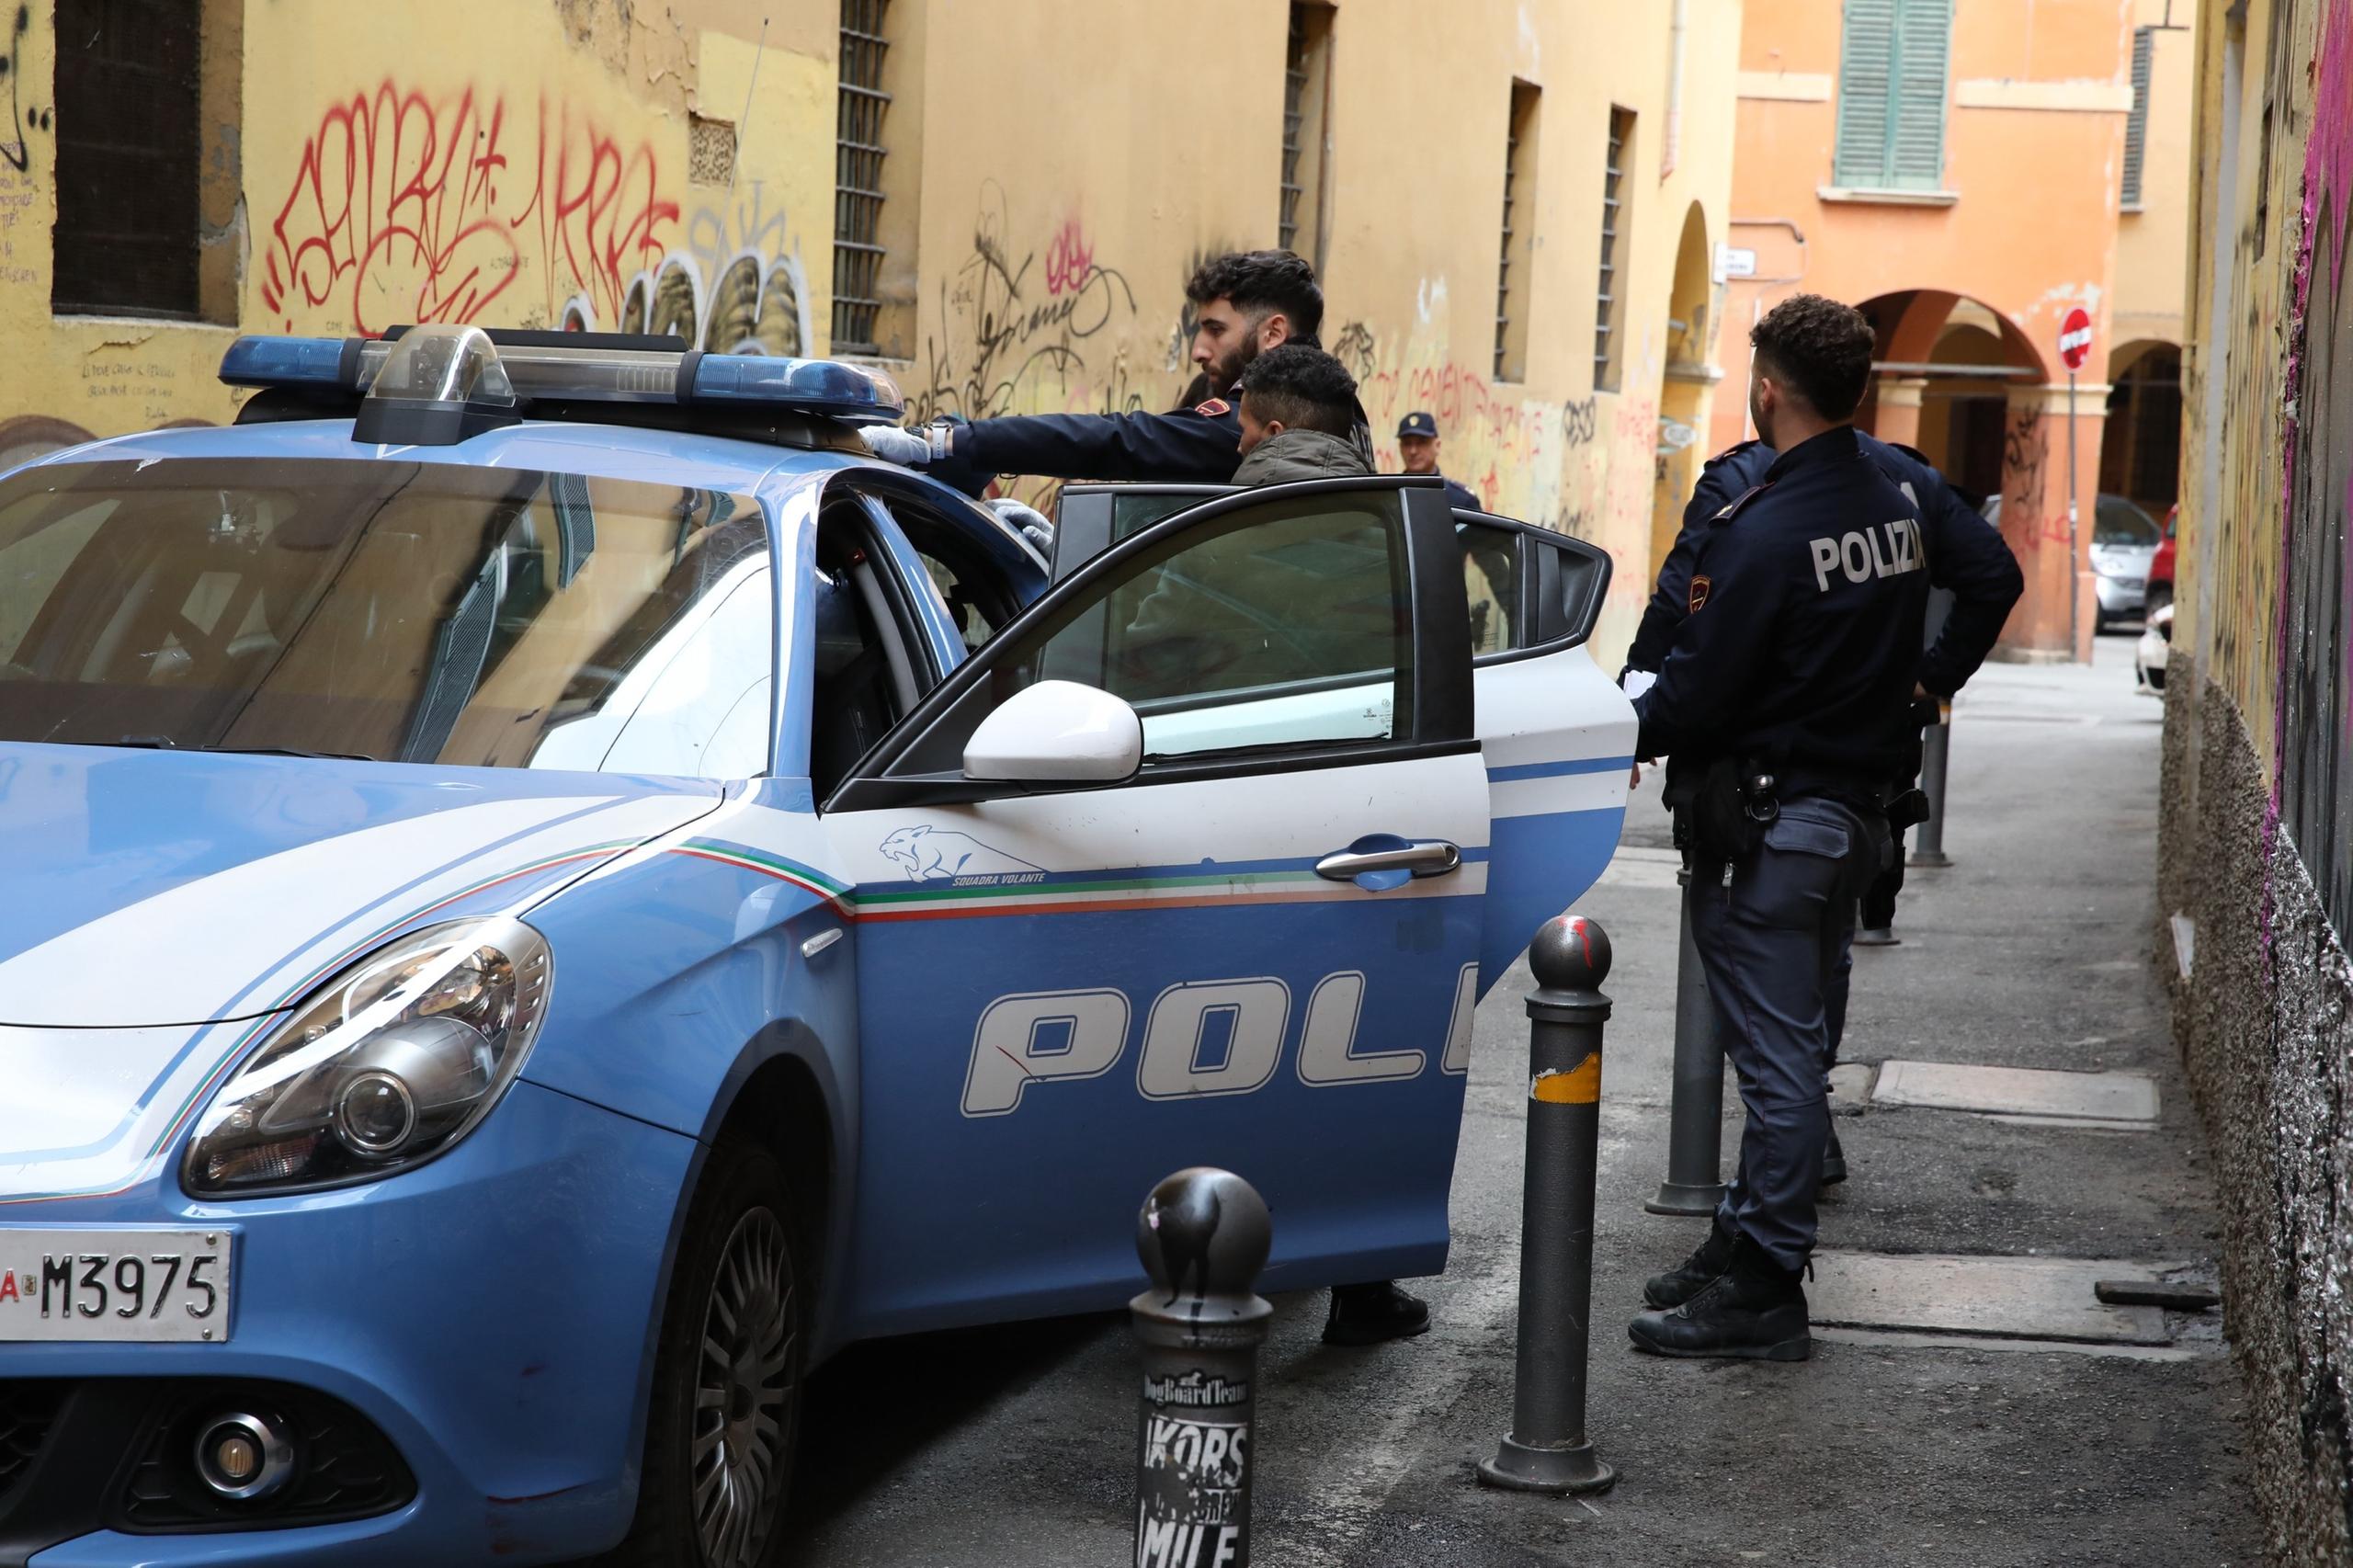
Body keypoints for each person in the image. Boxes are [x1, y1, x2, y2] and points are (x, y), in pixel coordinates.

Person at [1623, 293, 1930, 1362]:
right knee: (1788, 1048)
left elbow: (1699, 689)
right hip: (1846, 813)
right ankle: (1745, 1238)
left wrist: (1626, 719)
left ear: (1765, 389)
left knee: (1780, 1064)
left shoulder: (1766, 525)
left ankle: (1764, 1283)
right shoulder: (1890, 504)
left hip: (1775, 820)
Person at [1625, 421, 2022, 1186]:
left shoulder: (1749, 489)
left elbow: (1679, 616)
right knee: (1820, 965)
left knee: (1766, 1023)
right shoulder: (1901, 485)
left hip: (1764, 800)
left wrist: (1632, 722)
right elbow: (1993, 576)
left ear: (1769, 388)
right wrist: (1931, 677)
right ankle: (1790, 1161)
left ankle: (1771, 1227)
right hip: (1865, 798)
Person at [859, 250, 1343, 493]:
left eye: (1216, 330)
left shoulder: (1261, 427)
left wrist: (955, 441)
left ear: (1274, 332)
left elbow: (1120, 440)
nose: (1198, 350)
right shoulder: (1331, 407)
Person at [1394, 412, 1481, 510]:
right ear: (1400, 448)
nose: (1413, 451)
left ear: (1437, 446)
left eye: (1422, 442)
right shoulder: (1389, 495)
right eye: (1407, 443)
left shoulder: (1461, 500)